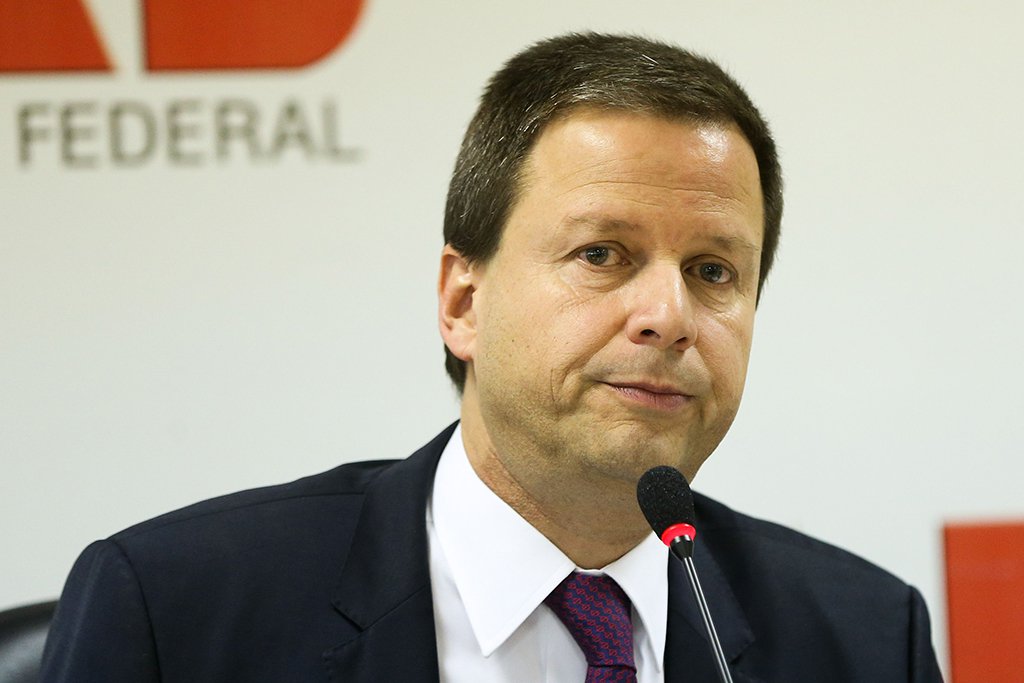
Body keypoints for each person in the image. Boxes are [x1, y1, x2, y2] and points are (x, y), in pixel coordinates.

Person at [40, 33, 944, 682]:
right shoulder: (176, 610)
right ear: (463, 303)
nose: (668, 316)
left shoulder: (865, 639)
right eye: (602, 254)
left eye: (713, 270)